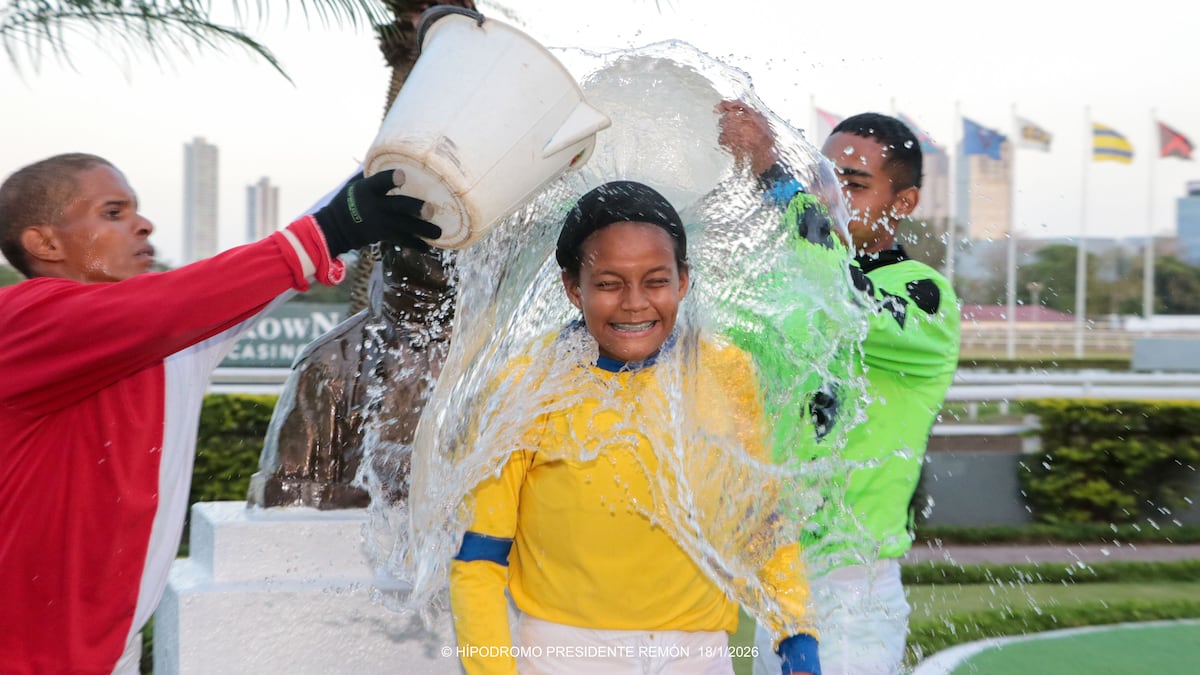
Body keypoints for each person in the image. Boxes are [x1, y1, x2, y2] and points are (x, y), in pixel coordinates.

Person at [0, 153, 441, 675]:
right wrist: (329, 230)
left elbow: (250, 282)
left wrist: (384, 169)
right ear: (45, 244)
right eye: (113, 213)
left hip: (109, 655)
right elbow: (179, 301)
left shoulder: (174, 342)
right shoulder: (21, 320)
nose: (144, 224)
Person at [447, 181, 820, 675]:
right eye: (608, 284)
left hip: (701, 655)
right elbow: (479, 558)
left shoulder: (726, 371)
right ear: (573, 287)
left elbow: (760, 523)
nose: (635, 303)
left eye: (656, 281)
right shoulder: (525, 386)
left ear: (683, 281)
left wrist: (797, 636)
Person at [727, 110, 960, 675]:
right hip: (777, 584)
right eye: (821, 179)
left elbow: (844, 294)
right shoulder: (791, 288)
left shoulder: (925, 295)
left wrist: (771, 174)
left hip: (853, 600)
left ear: (903, 203)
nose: (828, 195)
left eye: (852, 183)